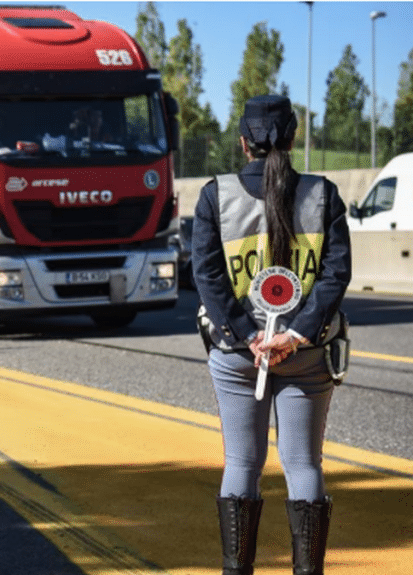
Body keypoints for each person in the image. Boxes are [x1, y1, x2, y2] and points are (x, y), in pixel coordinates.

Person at [192, 95, 351, 575]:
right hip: (306, 355)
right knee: (304, 467)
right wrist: (297, 335)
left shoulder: (214, 196)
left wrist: (247, 336)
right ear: (293, 137)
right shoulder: (323, 195)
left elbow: (207, 276)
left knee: (242, 464)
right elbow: (335, 275)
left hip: (239, 354)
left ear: (243, 142)